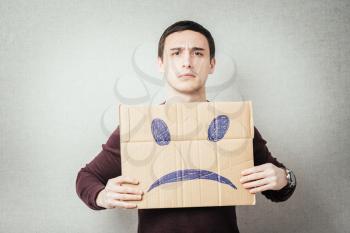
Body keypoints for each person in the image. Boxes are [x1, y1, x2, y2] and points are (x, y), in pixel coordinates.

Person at [76, 20, 296, 233]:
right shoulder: (138, 126)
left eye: (198, 53)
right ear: (160, 63)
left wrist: (283, 178)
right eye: (176, 53)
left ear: (212, 64)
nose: (187, 62)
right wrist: (102, 196)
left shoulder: (235, 123)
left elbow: (279, 189)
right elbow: (86, 177)